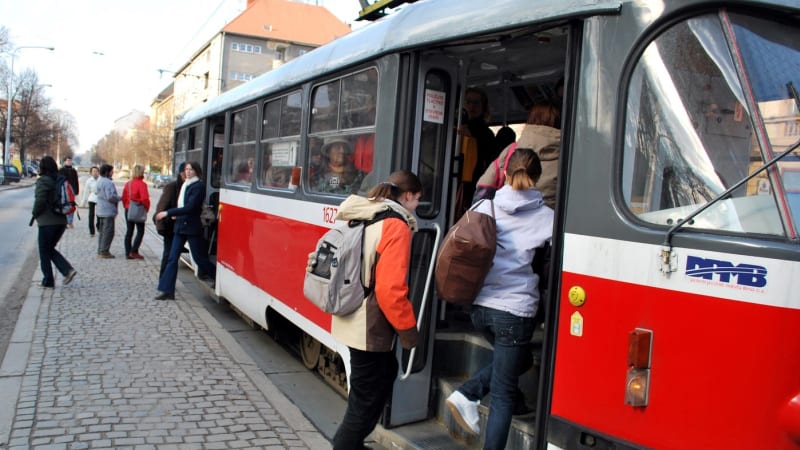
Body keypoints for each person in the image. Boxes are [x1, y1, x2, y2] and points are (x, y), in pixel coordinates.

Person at [446, 148, 553, 450]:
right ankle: (469, 393)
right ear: (537, 178)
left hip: (479, 309)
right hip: (515, 311)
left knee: (521, 359)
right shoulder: (548, 218)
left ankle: (469, 391)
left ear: (505, 174)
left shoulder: (484, 207)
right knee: (504, 393)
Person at [322, 170, 422, 450]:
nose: (417, 207)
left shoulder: (366, 214)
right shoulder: (396, 226)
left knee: (385, 373)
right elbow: (391, 291)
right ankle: (345, 446)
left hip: (353, 314)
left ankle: (352, 444)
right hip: (369, 324)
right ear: (409, 195)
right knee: (363, 401)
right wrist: (409, 332)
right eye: (417, 200)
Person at [473, 101, 561, 208]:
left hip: (507, 217)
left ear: (531, 119)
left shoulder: (511, 149)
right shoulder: (572, 156)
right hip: (549, 220)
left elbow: (486, 184)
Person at [154, 161, 216, 300]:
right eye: (186, 169)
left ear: (196, 171)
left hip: (191, 227)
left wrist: (168, 213)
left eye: (191, 169)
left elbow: (190, 207)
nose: (188, 172)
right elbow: (183, 206)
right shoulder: (186, 185)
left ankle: (217, 278)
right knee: (172, 258)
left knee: (199, 259)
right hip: (180, 226)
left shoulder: (198, 186)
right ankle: (167, 290)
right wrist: (176, 214)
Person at [31, 156, 77, 288]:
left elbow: (40, 200)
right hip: (61, 220)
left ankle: (49, 280)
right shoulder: (60, 179)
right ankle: (65, 271)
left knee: (44, 251)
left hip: (47, 222)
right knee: (49, 249)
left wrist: (35, 213)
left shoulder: (43, 181)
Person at [458, 87, 498, 208]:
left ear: (483, 107)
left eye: (476, 103)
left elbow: (488, 159)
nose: (471, 107)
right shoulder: (455, 127)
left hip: (473, 182)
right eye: (468, 102)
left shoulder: (487, 134)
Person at [154, 162, 185, 278]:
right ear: (181, 173)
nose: (187, 174)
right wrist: (162, 225)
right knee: (169, 254)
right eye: (185, 171)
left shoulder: (189, 186)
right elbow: (161, 208)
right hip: (170, 227)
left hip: (183, 226)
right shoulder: (172, 187)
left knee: (173, 255)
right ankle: (164, 280)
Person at [121, 164, 151, 260]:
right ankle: (134, 251)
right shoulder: (142, 184)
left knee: (129, 231)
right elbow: (145, 199)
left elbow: (124, 197)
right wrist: (146, 209)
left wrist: (126, 206)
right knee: (140, 231)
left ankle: (127, 252)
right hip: (139, 210)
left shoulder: (128, 184)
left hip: (128, 209)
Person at [95, 164, 121, 258]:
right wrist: (119, 198)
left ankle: (100, 249)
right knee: (108, 232)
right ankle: (104, 251)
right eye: (111, 171)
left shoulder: (99, 180)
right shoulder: (108, 183)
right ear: (107, 172)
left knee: (102, 231)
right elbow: (110, 197)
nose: (112, 172)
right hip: (108, 210)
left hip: (101, 209)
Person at [58, 156, 80, 228]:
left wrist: (76, 191)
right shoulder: (61, 170)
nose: (69, 162)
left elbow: (76, 181)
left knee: (72, 206)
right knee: (64, 205)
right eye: (67, 160)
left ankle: (70, 221)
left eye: (70, 160)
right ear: (65, 161)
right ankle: (64, 221)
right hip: (64, 190)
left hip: (72, 191)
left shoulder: (73, 171)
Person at [83, 166, 100, 236]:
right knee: (91, 215)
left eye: (96, 171)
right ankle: (91, 231)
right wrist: (83, 202)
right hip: (92, 198)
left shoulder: (101, 180)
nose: (95, 173)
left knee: (99, 214)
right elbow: (86, 191)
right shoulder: (89, 181)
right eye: (94, 171)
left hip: (99, 199)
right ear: (91, 173)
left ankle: (99, 225)